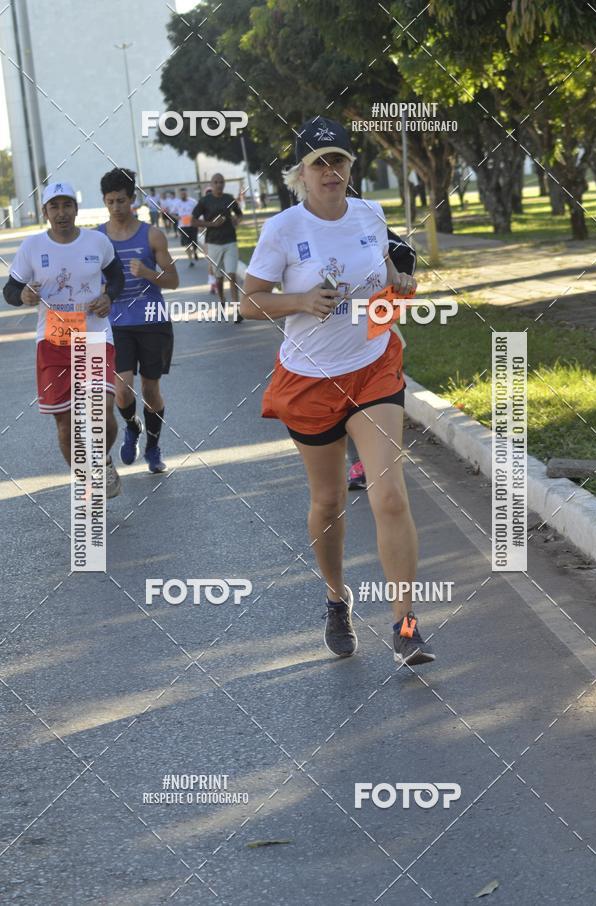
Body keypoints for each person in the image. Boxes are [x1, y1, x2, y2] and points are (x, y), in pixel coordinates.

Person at [240, 117, 434, 667]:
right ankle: (335, 598)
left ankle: (405, 625)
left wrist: (403, 284)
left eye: (340, 161)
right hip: (309, 381)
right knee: (328, 502)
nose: (331, 171)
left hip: (373, 368)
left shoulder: (371, 215)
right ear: (299, 173)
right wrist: (299, 302)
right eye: (319, 162)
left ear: (352, 167)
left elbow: (397, 278)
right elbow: (248, 302)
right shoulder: (282, 229)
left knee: (389, 495)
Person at [2, 181, 125, 496]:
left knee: (102, 414)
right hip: (52, 342)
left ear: (76, 209)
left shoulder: (98, 242)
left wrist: (109, 296)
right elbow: (10, 290)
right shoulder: (31, 247)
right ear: (44, 212)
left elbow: (117, 277)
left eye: (66, 205)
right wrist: (24, 295)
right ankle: (85, 481)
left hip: (95, 334)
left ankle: (102, 460)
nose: (61, 213)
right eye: (54, 207)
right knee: (66, 425)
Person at [99, 168, 179, 473]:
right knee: (121, 388)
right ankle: (132, 425)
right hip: (115, 322)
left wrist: (147, 273)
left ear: (132, 200)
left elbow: (173, 280)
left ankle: (154, 447)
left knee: (150, 390)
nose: (117, 207)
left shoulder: (152, 234)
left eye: (121, 200)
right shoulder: (97, 238)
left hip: (151, 319)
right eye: (110, 202)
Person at [347, 228, 417, 491]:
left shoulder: (365, 221)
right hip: (334, 338)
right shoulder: (304, 226)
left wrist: (397, 285)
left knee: (380, 392)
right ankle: (358, 461)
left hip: (376, 327)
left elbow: (405, 253)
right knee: (346, 401)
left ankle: (379, 453)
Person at [192, 173, 243, 322]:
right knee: (219, 278)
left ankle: (236, 310)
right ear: (211, 183)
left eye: (221, 182)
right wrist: (211, 224)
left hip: (230, 242)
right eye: (216, 182)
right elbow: (193, 220)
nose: (219, 184)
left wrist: (236, 220)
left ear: (224, 183)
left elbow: (239, 214)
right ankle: (222, 302)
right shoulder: (205, 201)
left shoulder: (229, 198)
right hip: (214, 243)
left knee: (232, 276)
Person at [173, 187, 198, 267]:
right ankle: (190, 260)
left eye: (184, 193)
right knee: (187, 243)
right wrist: (177, 217)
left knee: (194, 242)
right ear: (180, 195)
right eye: (182, 194)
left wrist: (196, 218)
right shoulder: (177, 203)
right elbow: (172, 213)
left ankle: (195, 252)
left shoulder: (193, 202)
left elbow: (198, 211)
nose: (183, 195)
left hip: (192, 225)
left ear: (187, 193)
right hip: (183, 226)